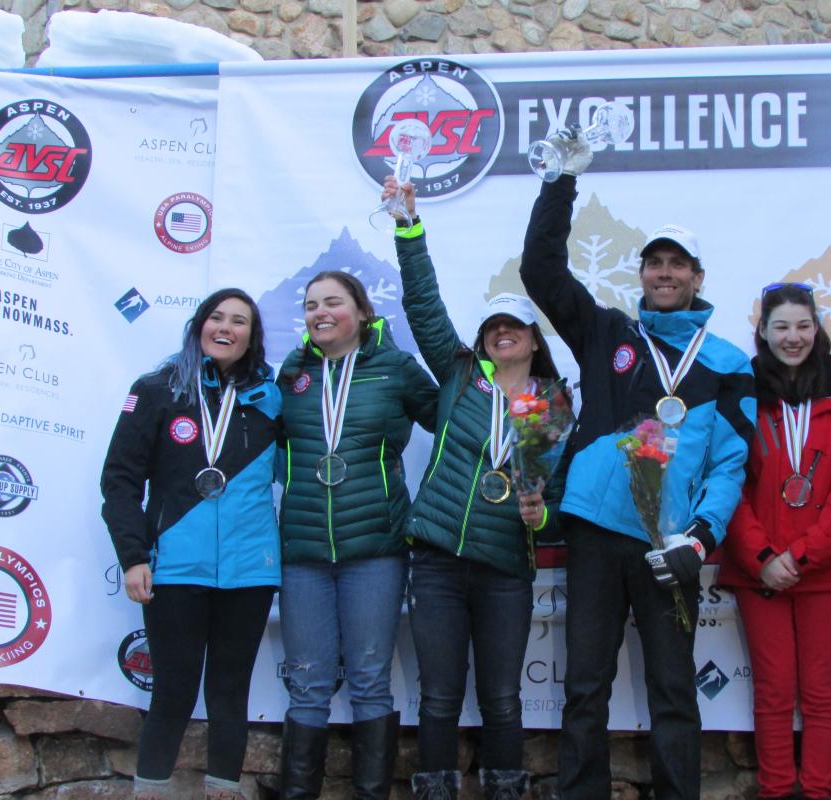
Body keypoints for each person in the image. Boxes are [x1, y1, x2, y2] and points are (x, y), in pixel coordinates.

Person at [519, 166, 756, 799]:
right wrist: (560, 181)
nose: (665, 273)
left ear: (698, 277)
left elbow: (731, 464)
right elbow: (540, 271)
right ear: (642, 274)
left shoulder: (728, 362)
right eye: (655, 263)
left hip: (669, 545)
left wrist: (699, 540)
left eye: (679, 264)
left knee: (675, 693)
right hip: (596, 533)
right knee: (585, 688)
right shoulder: (608, 332)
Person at [383, 177, 567, 800]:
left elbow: (555, 496)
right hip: (435, 561)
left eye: (514, 325)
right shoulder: (460, 375)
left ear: (534, 339)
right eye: (493, 325)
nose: (502, 332)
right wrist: (409, 227)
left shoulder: (551, 405)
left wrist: (539, 515)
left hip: (504, 569)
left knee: (503, 699)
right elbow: (423, 305)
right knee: (436, 697)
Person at [101, 289, 282, 800]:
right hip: (176, 568)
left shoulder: (271, 397)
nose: (226, 327)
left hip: (250, 571)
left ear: (252, 336)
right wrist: (134, 556)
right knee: (174, 692)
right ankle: (150, 792)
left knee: (229, 694)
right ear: (199, 325)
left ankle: (222, 791)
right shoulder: (158, 389)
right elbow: (119, 480)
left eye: (239, 321)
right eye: (216, 317)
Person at [276, 270, 437, 800]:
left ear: (362, 312)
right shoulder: (293, 372)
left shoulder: (394, 368)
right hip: (303, 551)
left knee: (369, 682)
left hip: (376, 549)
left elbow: (453, 421)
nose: (320, 312)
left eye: (333, 303)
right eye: (311, 304)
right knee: (307, 685)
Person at [714, 283, 831, 800]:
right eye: (781, 326)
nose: (793, 337)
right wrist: (761, 556)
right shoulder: (742, 394)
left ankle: (820, 792)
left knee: (822, 694)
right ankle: (777, 790)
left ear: (818, 328)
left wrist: (802, 555)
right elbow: (727, 480)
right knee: (774, 690)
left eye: (803, 326)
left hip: (823, 569)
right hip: (758, 568)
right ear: (762, 331)